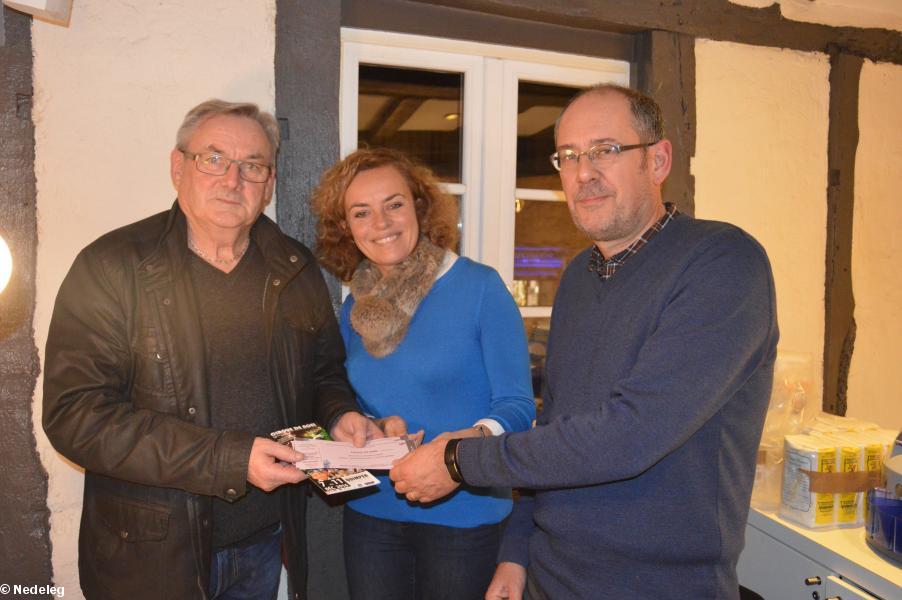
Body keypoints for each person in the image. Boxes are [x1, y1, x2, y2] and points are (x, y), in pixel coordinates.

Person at [389, 84, 779, 600]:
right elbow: (557, 425)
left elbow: (631, 434)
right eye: (568, 156)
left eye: (605, 150)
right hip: (552, 576)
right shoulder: (578, 276)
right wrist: (517, 551)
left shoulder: (723, 262)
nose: (583, 173)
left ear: (658, 160)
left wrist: (461, 460)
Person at [42, 99, 381, 600]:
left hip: (264, 543)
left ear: (269, 183)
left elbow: (323, 373)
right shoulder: (111, 267)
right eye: (214, 158)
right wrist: (229, 458)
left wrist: (341, 413)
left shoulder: (295, 268)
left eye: (253, 165)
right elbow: (76, 417)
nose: (233, 180)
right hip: (153, 556)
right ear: (178, 167)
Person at [310, 147, 536, 600]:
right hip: (371, 515)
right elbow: (354, 396)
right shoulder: (356, 304)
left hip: (465, 518)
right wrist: (373, 424)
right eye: (361, 212)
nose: (381, 223)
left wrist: (455, 453)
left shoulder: (480, 287)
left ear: (418, 205)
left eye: (393, 204)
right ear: (346, 228)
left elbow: (517, 408)